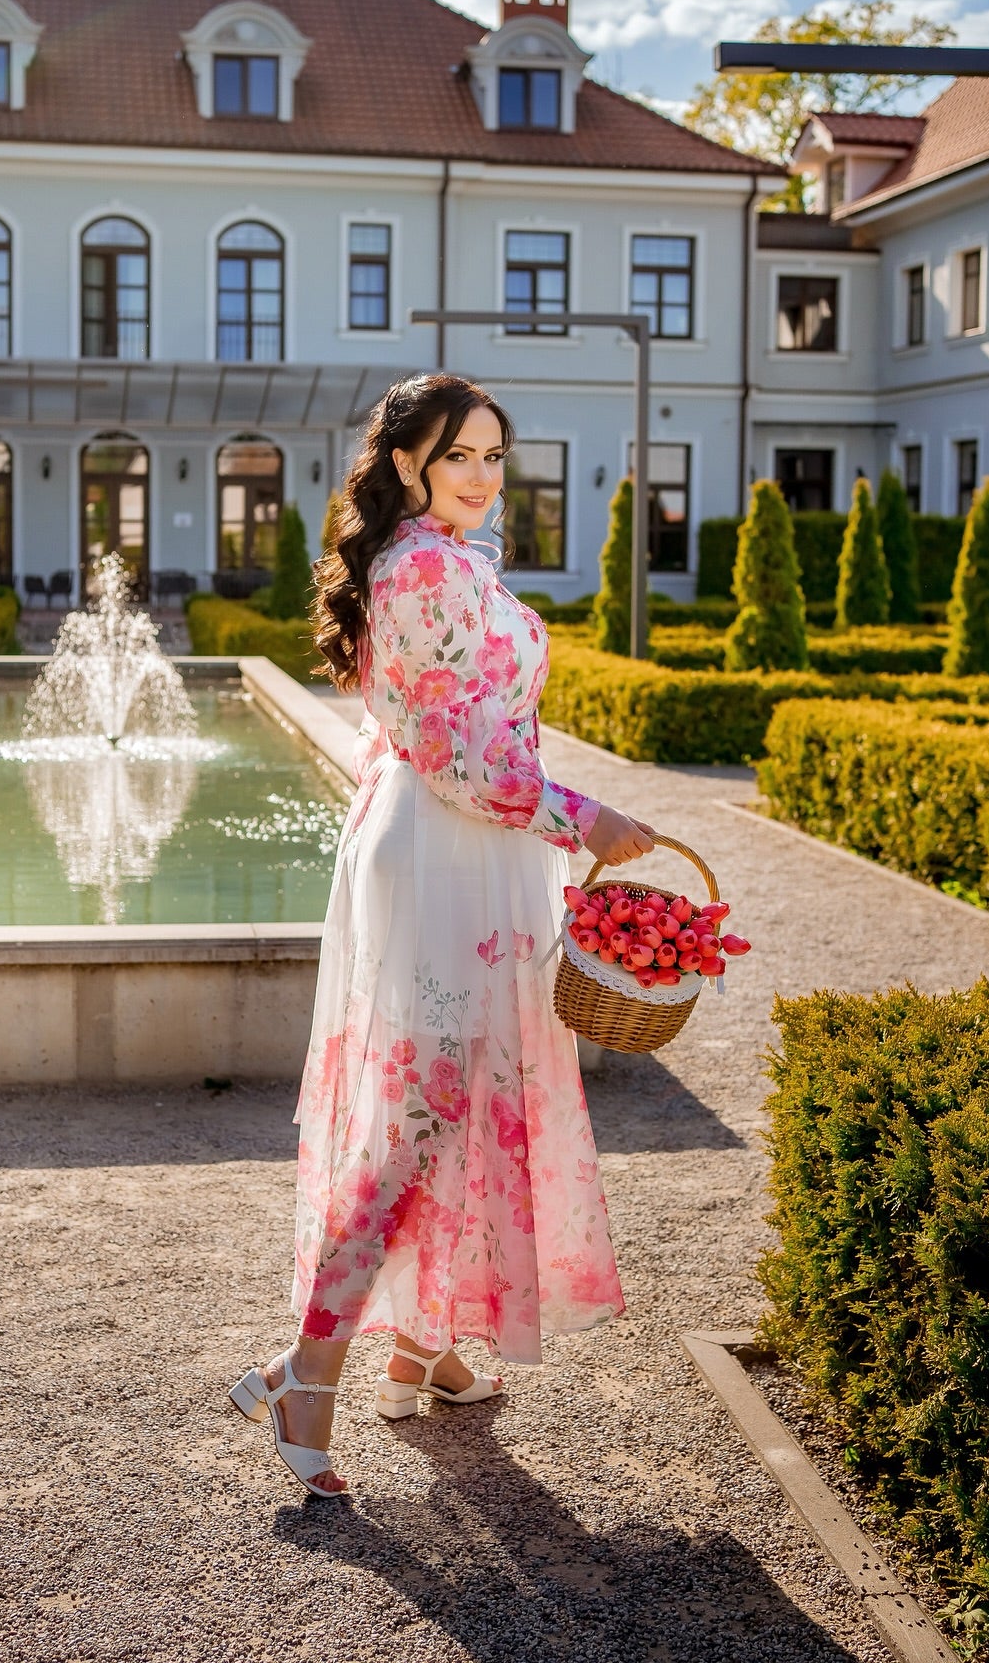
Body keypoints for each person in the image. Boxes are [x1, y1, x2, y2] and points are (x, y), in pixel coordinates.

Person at [229, 373, 655, 1496]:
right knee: (417, 1120)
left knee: (461, 1103)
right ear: (409, 462)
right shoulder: (420, 566)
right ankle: (305, 1373)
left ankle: (423, 1350)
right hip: (444, 853)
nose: (480, 475)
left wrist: (545, 826)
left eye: (493, 456)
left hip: (473, 854)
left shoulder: (458, 559)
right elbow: (453, 753)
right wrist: (586, 820)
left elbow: (474, 733)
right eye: (458, 455)